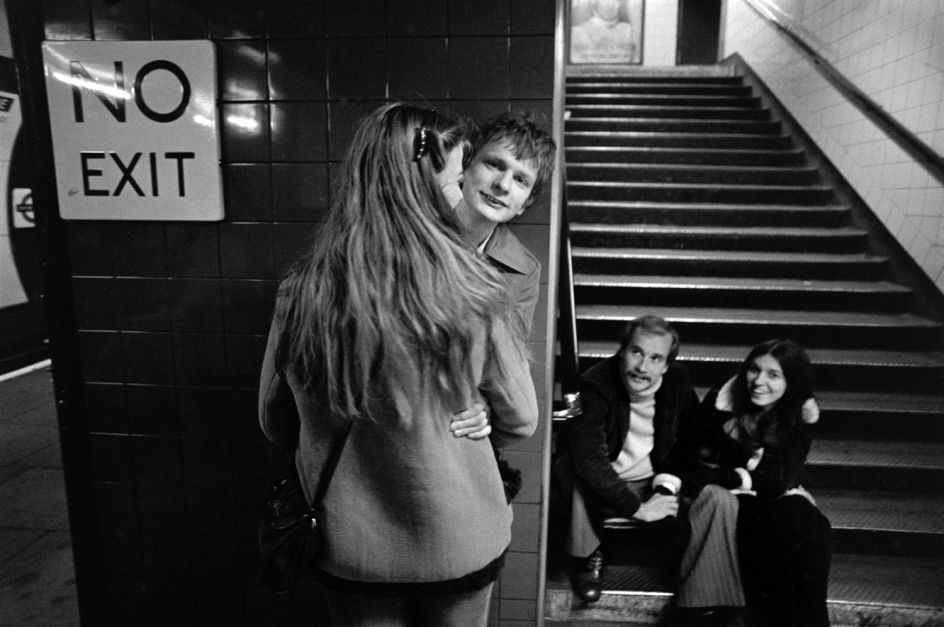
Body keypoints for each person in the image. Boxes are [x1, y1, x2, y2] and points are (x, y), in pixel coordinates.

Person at [258, 103, 538, 626]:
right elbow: (522, 419)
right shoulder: (479, 293)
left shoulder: (301, 291)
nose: (463, 193)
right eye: (458, 179)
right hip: (459, 542)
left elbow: (274, 423)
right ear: (425, 190)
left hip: (350, 548)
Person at [672, 339, 830, 627]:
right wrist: (744, 477)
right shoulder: (720, 404)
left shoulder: (800, 413)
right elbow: (693, 467)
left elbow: (782, 477)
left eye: (773, 375)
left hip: (765, 500)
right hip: (720, 504)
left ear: (791, 382)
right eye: (754, 370)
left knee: (812, 522)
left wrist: (740, 474)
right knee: (774, 524)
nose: (759, 381)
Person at [553, 315, 700, 603]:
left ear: (667, 365)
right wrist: (639, 510)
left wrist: (665, 485)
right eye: (637, 352)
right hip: (602, 479)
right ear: (623, 350)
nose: (643, 367)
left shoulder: (677, 380)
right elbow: (590, 460)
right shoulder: (594, 384)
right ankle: (587, 559)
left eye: (656, 358)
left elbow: (693, 436)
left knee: (708, 493)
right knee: (576, 471)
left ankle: (691, 570)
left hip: (647, 478)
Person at [453, 111, 556, 337]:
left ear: (525, 203)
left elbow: (509, 359)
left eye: (521, 179)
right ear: (465, 167)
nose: (503, 184)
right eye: (494, 164)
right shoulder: (411, 231)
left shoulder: (526, 270)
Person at [570, 0, 636, 64]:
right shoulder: (577, 32)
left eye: (616, 0)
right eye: (604, 0)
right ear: (593, 1)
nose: (610, 4)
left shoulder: (629, 31)